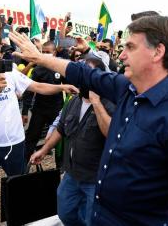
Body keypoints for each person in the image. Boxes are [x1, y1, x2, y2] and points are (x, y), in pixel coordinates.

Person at [9, 15, 168, 225]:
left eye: (131, 47)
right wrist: (40, 58)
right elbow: (85, 74)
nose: (122, 55)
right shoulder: (126, 89)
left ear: (157, 52)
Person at [0, 36, 78, 226]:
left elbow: (37, 86)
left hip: (15, 145)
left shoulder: (10, 70)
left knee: (17, 189)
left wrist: (62, 87)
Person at [30, 54, 115, 226]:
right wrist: (44, 150)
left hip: (95, 179)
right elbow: (61, 128)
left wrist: (96, 103)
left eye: (85, 75)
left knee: (92, 220)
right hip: (71, 174)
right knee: (65, 213)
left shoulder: (110, 103)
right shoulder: (73, 101)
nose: (79, 79)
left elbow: (111, 134)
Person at [23, 41, 65, 165]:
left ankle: (60, 167)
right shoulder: (37, 70)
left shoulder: (60, 67)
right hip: (39, 109)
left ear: (54, 52)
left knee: (59, 138)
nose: (46, 54)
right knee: (31, 138)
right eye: (44, 52)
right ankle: (23, 168)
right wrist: (25, 111)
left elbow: (70, 86)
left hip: (56, 109)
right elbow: (29, 91)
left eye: (48, 52)